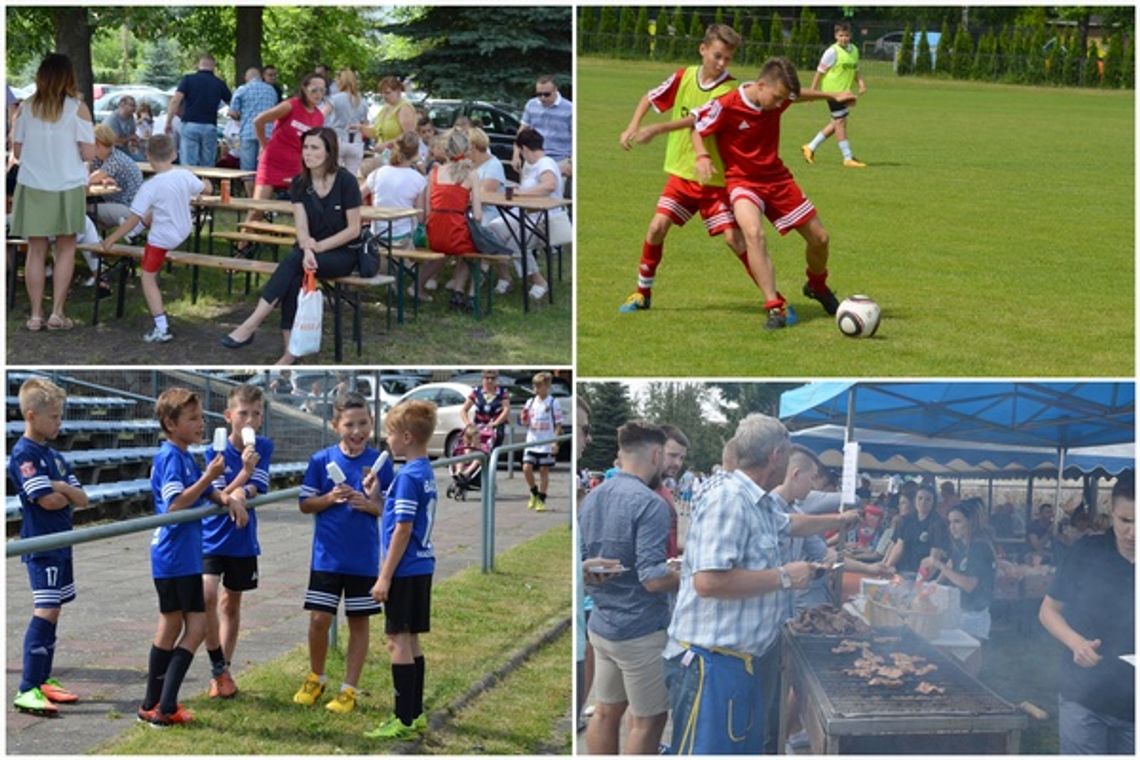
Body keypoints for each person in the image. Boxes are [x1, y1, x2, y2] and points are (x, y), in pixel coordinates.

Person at [663, 414, 859, 754]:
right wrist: (785, 576)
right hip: (712, 667)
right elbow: (708, 581)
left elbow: (790, 524)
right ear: (777, 455)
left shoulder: (759, 500)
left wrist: (838, 520)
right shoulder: (730, 500)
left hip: (742, 663)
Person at [637, 58, 854, 329]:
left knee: (820, 238)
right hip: (742, 183)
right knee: (752, 233)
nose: (779, 105)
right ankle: (774, 307)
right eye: (776, 98)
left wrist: (832, 95)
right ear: (761, 85)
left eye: (783, 99)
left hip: (778, 179)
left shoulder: (777, 97)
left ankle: (817, 285)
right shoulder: (728, 104)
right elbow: (697, 125)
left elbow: (797, 96)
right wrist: (702, 155)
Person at [616, 24, 749, 314]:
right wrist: (632, 126)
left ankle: (774, 298)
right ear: (702, 49)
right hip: (681, 176)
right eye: (717, 56)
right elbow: (650, 97)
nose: (722, 63)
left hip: (715, 180)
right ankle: (642, 293)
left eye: (728, 58)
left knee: (734, 239)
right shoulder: (684, 76)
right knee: (656, 228)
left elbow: (697, 123)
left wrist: (657, 129)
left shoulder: (730, 90)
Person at [139, 387, 247, 727]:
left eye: (201, 417)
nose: (201, 424)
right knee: (194, 626)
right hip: (174, 556)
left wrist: (225, 498)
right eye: (193, 419)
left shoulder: (184, 454)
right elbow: (175, 504)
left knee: (173, 624)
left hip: (181, 556)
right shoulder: (171, 456)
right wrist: (209, 478)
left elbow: (206, 492)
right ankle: (164, 706)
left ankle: (152, 705)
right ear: (171, 424)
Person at [578, 421, 679, 754]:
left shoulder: (592, 496)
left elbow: (583, 562)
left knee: (606, 712)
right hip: (640, 631)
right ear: (655, 453)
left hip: (603, 625)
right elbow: (652, 578)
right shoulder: (652, 504)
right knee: (649, 720)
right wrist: (689, 574)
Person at [222, 127, 361, 364]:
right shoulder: (299, 182)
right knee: (294, 273)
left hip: (342, 254)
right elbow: (302, 227)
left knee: (294, 262)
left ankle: (252, 323)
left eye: (314, 147)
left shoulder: (346, 181)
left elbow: (353, 229)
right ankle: (289, 352)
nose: (308, 153)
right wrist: (307, 249)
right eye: (305, 147)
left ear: (329, 151)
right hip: (308, 252)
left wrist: (316, 248)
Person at [294, 391, 394, 715]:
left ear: (371, 423)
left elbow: (387, 510)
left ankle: (349, 688)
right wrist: (329, 498)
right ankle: (316, 676)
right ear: (336, 425)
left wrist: (370, 504)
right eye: (350, 424)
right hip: (327, 557)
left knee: (359, 623)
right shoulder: (321, 460)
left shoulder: (381, 463)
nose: (357, 431)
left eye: (363, 423)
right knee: (320, 619)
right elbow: (305, 503)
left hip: (363, 559)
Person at [9, 378, 90, 715]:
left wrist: (62, 488)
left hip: (62, 544)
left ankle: (42, 680)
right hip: (43, 546)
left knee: (54, 611)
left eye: (60, 416)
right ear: (32, 416)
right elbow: (49, 501)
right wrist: (62, 491)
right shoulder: (24, 454)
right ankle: (27, 687)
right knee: (44, 610)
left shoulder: (54, 455)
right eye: (54, 417)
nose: (60, 422)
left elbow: (82, 498)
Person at [1039, 473, 1134, 755]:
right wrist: (1076, 643)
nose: (1133, 533)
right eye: (1125, 521)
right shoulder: (1087, 552)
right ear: (1111, 513)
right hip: (1084, 697)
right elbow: (1048, 611)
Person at [363, 400, 438, 739]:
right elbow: (393, 515)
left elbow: (403, 529)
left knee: (396, 641)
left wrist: (384, 576)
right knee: (411, 639)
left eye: (390, 434)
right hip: (422, 565)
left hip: (405, 569)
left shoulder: (408, 477)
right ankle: (416, 713)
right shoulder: (423, 471)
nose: (386, 441)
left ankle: (402, 718)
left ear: (406, 437)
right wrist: (377, 497)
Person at [10, 52, 95, 333]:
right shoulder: (77, 108)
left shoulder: (26, 108)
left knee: (36, 250)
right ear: (68, 76)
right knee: (65, 248)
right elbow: (89, 152)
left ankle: (36, 315)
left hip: (33, 183)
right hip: (67, 184)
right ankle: (57, 313)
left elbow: (17, 151)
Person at [200, 384, 275, 699]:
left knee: (231, 602)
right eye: (243, 413)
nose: (249, 419)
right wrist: (241, 479)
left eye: (256, 414)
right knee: (206, 596)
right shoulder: (213, 450)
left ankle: (225, 671)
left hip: (242, 539)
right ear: (229, 416)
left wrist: (242, 492)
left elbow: (259, 484)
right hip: (210, 537)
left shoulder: (264, 446)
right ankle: (217, 663)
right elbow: (218, 493)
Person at [101, 134, 212, 344]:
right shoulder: (184, 175)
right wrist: (207, 183)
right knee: (155, 209)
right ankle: (134, 235)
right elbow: (206, 189)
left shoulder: (150, 186)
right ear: (174, 154)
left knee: (148, 277)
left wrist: (111, 239)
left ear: (147, 155)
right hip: (183, 229)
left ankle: (162, 327)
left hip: (162, 238)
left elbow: (133, 218)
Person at [240, 72, 327, 230]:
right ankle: (242, 248)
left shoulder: (319, 117)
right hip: (273, 162)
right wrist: (264, 144)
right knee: (257, 210)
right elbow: (259, 120)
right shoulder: (290, 105)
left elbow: (314, 143)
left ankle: (304, 246)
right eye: (314, 90)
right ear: (304, 89)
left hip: (296, 166)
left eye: (322, 90)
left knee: (306, 210)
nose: (318, 94)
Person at [486, 127, 561, 301]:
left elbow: (549, 185)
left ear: (525, 149)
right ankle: (505, 276)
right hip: (525, 216)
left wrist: (521, 194)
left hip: (545, 220)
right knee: (492, 230)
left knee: (516, 242)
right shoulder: (531, 165)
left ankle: (539, 281)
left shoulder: (545, 163)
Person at [421, 129, 484, 308]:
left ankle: (456, 292)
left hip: (434, 233)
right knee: (473, 249)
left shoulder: (434, 173)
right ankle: (466, 293)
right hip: (455, 233)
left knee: (461, 247)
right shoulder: (471, 174)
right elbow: (478, 215)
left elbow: (427, 208)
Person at [924, 498, 996, 650]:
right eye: (950, 522)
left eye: (957, 522)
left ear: (971, 522)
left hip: (975, 615)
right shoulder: (962, 544)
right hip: (960, 610)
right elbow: (952, 562)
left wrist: (938, 564)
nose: (952, 527)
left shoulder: (979, 547)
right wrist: (934, 585)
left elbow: (969, 584)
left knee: (969, 661)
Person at [802, 21, 869, 168]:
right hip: (832, 93)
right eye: (840, 35)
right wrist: (812, 93)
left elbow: (855, 70)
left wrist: (861, 83)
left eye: (846, 35)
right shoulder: (831, 52)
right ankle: (847, 157)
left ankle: (810, 147)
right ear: (835, 36)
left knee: (836, 123)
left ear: (850, 35)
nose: (843, 38)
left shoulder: (854, 50)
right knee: (840, 122)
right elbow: (819, 73)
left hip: (844, 93)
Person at [360, 131, 425, 249]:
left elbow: (357, 196)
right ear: (416, 153)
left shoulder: (378, 173)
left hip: (377, 235)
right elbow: (421, 217)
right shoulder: (419, 179)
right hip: (404, 236)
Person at [166, 54, 231, 167]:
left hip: (190, 124)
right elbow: (232, 103)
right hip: (210, 126)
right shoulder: (219, 83)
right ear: (213, 66)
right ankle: (206, 183)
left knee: (188, 164)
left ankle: (189, 184)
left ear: (198, 65)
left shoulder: (188, 80)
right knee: (207, 164)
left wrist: (168, 121)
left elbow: (175, 101)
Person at [228, 66, 279, 194]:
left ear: (247, 77)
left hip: (247, 132)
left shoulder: (242, 89)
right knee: (263, 169)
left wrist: (242, 115)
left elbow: (232, 112)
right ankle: (262, 201)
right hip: (267, 134)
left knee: (247, 171)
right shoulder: (271, 90)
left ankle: (251, 202)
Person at [88, 124, 145, 231]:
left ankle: (92, 241)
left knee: (85, 210)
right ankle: (93, 240)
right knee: (88, 212)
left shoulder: (115, 160)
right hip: (125, 204)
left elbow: (88, 180)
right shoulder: (104, 157)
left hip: (131, 210)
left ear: (97, 143)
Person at [520, 371, 563, 512]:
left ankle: (541, 499)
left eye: (539, 386)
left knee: (544, 470)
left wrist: (555, 442)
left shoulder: (553, 402)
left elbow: (558, 424)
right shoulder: (530, 402)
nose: (536, 389)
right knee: (526, 468)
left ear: (546, 387)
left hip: (546, 442)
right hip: (532, 441)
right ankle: (534, 492)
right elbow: (525, 422)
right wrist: (524, 419)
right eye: (534, 386)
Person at [884, 483, 949, 575]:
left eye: (928, 499)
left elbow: (934, 558)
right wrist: (887, 567)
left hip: (922, 573)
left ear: (933, 503)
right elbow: (898, 547)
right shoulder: (906, 520)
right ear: (914, 500)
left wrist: (921, 581)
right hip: (902, 570)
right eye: (920, 498)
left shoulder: (938, 524)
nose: (923, 502)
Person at [515, 75, 572, 176]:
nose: (542, 98)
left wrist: (571, 163)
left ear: (555, 90)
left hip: (558, 161)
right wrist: (515, 155)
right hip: (532, 160)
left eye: (546, 94)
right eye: (539, 94)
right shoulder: (531, 105)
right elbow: (522, 132)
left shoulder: (569, 108)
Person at [326, 69, 370, 177]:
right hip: (356, 142)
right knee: (352, 177)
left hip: (337, 139)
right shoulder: (362, 101)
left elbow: (321, 115)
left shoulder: (334, 99)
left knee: (333, 176)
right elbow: (365, 124)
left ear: (340, 81)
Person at [658, 424, 689, 558]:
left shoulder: (664, 491)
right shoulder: (644, 492)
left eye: (681, 458)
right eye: (672, 455)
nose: (678, 463)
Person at [459, 370, 511, 448]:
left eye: (492, 378)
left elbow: (506, 410)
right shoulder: (476, 391)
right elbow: (463, 410)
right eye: (487, 378)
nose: (490, 381)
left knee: (490, 451)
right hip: (478, 428)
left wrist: (495, 423)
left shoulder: (502, 392)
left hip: (495, 428)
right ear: (482, 379)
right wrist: (468, 424)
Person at [366, 76, 417, 153]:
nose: (384, 96)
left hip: (399, 155)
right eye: (382, 93)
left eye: (388, 93)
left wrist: (386, 145)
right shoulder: (386, 107)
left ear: (398, 92)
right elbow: (376, 132)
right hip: (384, 154)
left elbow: (408, 136)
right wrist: (360, 128)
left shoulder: (405, 108)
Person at [101, 94, 141, 159]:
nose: (134, 108)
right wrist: (130, 138)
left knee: (141, 158)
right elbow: (114, 141)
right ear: (122, 105)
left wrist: (134, 142)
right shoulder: (112, 119)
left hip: (123, 150)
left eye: (135, 106)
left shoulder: (130, 117)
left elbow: (132, 134)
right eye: (132, 105)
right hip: (110, 151)